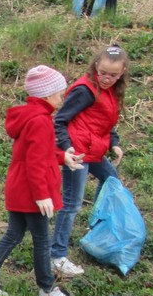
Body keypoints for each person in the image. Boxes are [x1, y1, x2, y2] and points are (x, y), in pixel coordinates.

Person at [0, 66, 83, 296]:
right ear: (45, 96)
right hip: (32, 194)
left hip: (18, 189)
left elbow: (38, 153)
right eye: (58, 95)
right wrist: (42, 195)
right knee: (43, 240)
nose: (61, 99)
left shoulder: (28, 117)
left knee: (13, 234)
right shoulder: (40, 121)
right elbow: (35, 164)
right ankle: (47, 291)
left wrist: (62, 156)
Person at [50, 45, 131, 277]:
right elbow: (60, 120)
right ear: (96, 66)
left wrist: (114, 142)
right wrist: (67, 148)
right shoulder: (85, 90)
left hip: (93, 148)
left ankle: (97, 229)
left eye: (113, 75)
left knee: (110, 179)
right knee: (72, 203)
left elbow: (105, 120)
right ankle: (57, 256)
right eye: (103, 72)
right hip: (78, 152)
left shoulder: (113, 91)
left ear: (122, 72)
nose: (106, 78)